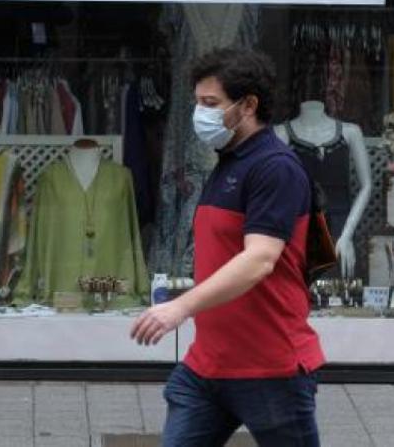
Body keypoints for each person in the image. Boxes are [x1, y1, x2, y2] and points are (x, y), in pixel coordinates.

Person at [130, 47, 324, 446]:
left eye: (211, 103)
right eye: (198, 103)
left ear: (248, 104)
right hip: (207, 369)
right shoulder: (228, 163)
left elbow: (259, 259)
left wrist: (179, 307)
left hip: (271, 370)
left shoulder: (275, 167)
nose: (200, 114)